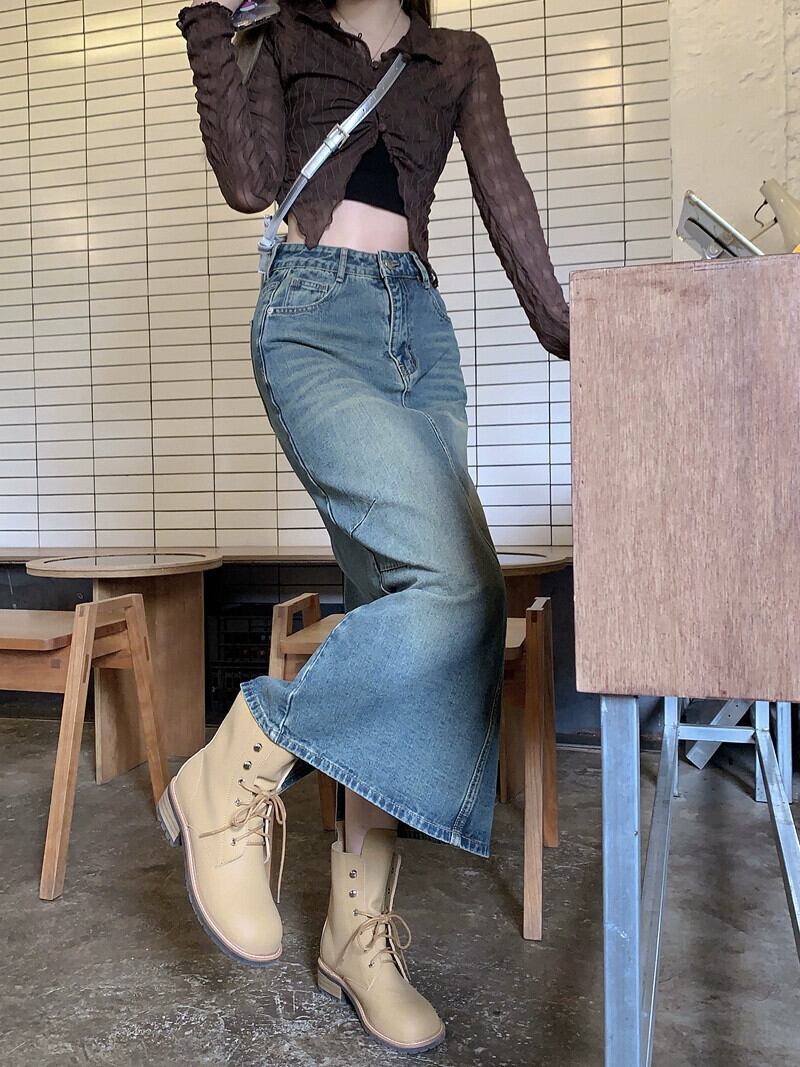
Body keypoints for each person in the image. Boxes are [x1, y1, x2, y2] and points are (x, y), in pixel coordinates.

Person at [160, 0, 570, 1053]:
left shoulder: (459, 57)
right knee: (460, 588)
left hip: (419, 339)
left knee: (413, 604)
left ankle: (357, 932)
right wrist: (219, 28)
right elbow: (249, 182)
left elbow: (507, 200)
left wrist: (585, 334)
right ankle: (238, 764)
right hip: (310, 319)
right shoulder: (284, 32)